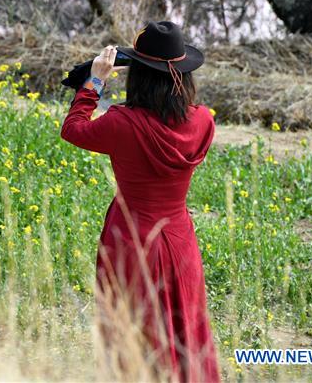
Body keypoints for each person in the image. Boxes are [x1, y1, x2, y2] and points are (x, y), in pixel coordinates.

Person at [60, 20, 221, 383]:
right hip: (179, 242)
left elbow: (72, 128)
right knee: (184, 330)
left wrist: (95, 81)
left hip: (131, 240)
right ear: (183, 75)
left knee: (131, 335)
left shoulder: (122, 123)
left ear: (138, 76)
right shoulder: (203, 122)